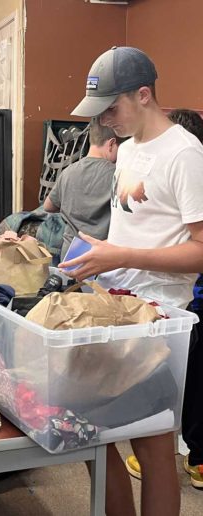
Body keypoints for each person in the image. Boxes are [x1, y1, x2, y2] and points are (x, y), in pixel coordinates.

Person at [60, 47, 203, 516]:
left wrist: (118, 255)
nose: (105, 121)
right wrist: (95, 252)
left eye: (112, 109)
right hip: (113, 307)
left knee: (153, 449)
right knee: (94, 439)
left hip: (157, 319)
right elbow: (135, 225)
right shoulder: (130, 148)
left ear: (145, 95)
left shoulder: (185, 153)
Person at [125, 108, 203, 489]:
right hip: (167, 303)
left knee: (185, 389)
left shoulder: (186, 160)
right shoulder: (132, 153)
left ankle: (188, 451)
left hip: (180, 304)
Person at [43, 117, 123, 260]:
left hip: (70, 255)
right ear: (111, 144)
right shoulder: (117, 174)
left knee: (72, 283)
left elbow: (48, 206)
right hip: (100, 257)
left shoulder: (68, 171)